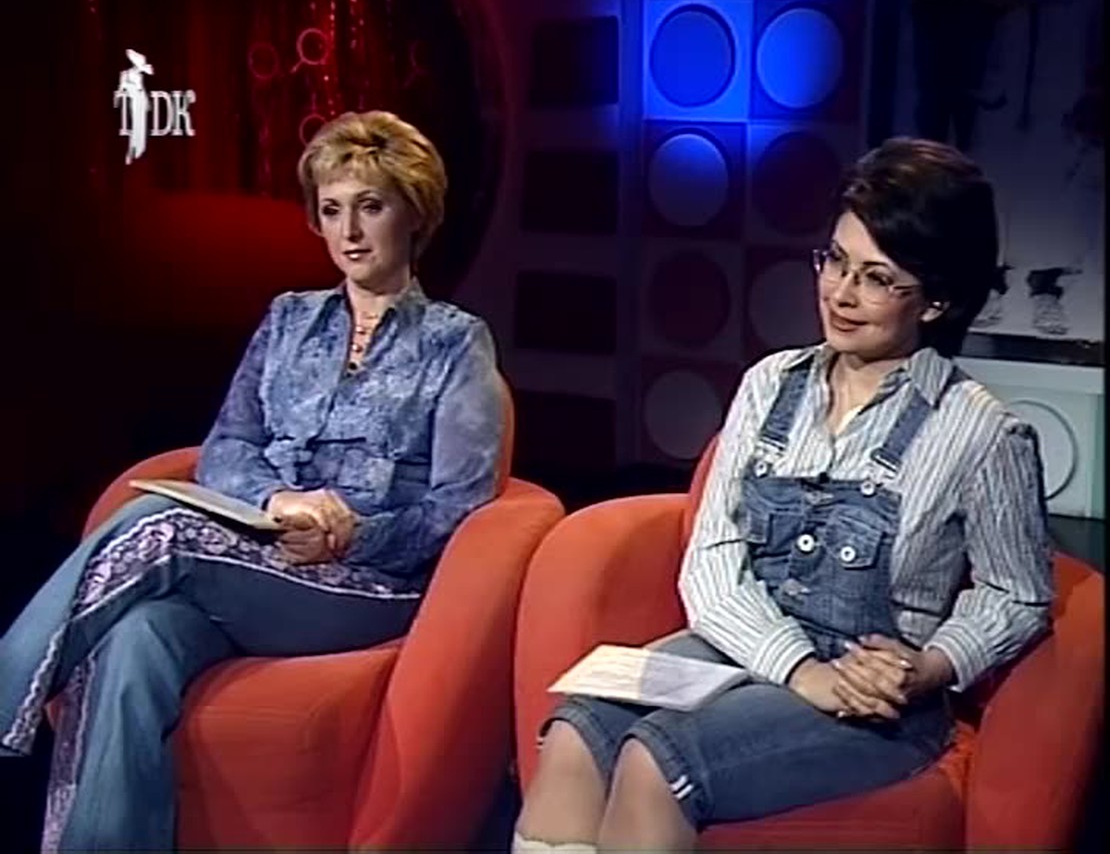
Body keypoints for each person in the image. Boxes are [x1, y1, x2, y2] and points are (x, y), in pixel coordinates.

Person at [514, 137, 1054, 853]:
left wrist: (931, 666)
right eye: (835, 261)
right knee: (578, 734)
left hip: (872, 694)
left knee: (656, 761)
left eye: (876, 278)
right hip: (749, 644)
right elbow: (711, 558)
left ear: (937, 299)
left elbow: (1018, 594)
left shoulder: (983, 431)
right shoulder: (769, 385)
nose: (841, 294)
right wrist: (798, 670)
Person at [0, 110, 505, 852]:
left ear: (414, 214)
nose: (349, 232)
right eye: (331, 210)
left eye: (370, 207)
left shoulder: (454, 343)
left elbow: (460, 505)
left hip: (367, 585)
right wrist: (276, 500)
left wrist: (350, 535)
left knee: (165, 530)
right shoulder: (287, 320)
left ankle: (6, 686)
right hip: (253, 562)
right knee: (135, 641)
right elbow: (229, 444)